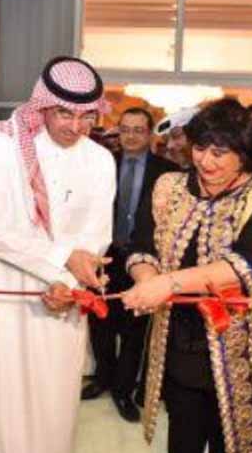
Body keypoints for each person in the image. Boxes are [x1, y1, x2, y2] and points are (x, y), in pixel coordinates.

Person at [0, 56, 116, 453]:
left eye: (87, 117)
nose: (76, 127)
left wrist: (69, 283)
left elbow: (96, 237)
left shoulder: (100, 159)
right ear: (42, 106)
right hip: (4, 300)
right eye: (64, 114)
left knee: (51, 408)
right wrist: (63, 261)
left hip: (63, 303)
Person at [123, 98, 252, 453]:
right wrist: (146, 280)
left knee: (232, 442)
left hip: (240, 347)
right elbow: (142, 246)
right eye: (200, 148)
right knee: (182, 437)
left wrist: (166, 284)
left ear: (244, 154)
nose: (206, 161)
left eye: (219, 153)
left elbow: (244, 266)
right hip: (179, 341)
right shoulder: (168, 187)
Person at [82, 107, 178, 422]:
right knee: (100, 323)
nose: (131, 136)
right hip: (103, 257)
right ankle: (103, 378)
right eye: (125, 129)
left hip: (145, 261)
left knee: (135, 329)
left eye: (138, 130)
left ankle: (123, 390)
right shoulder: (102, 165)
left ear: (150, 134)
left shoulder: (168, 172)